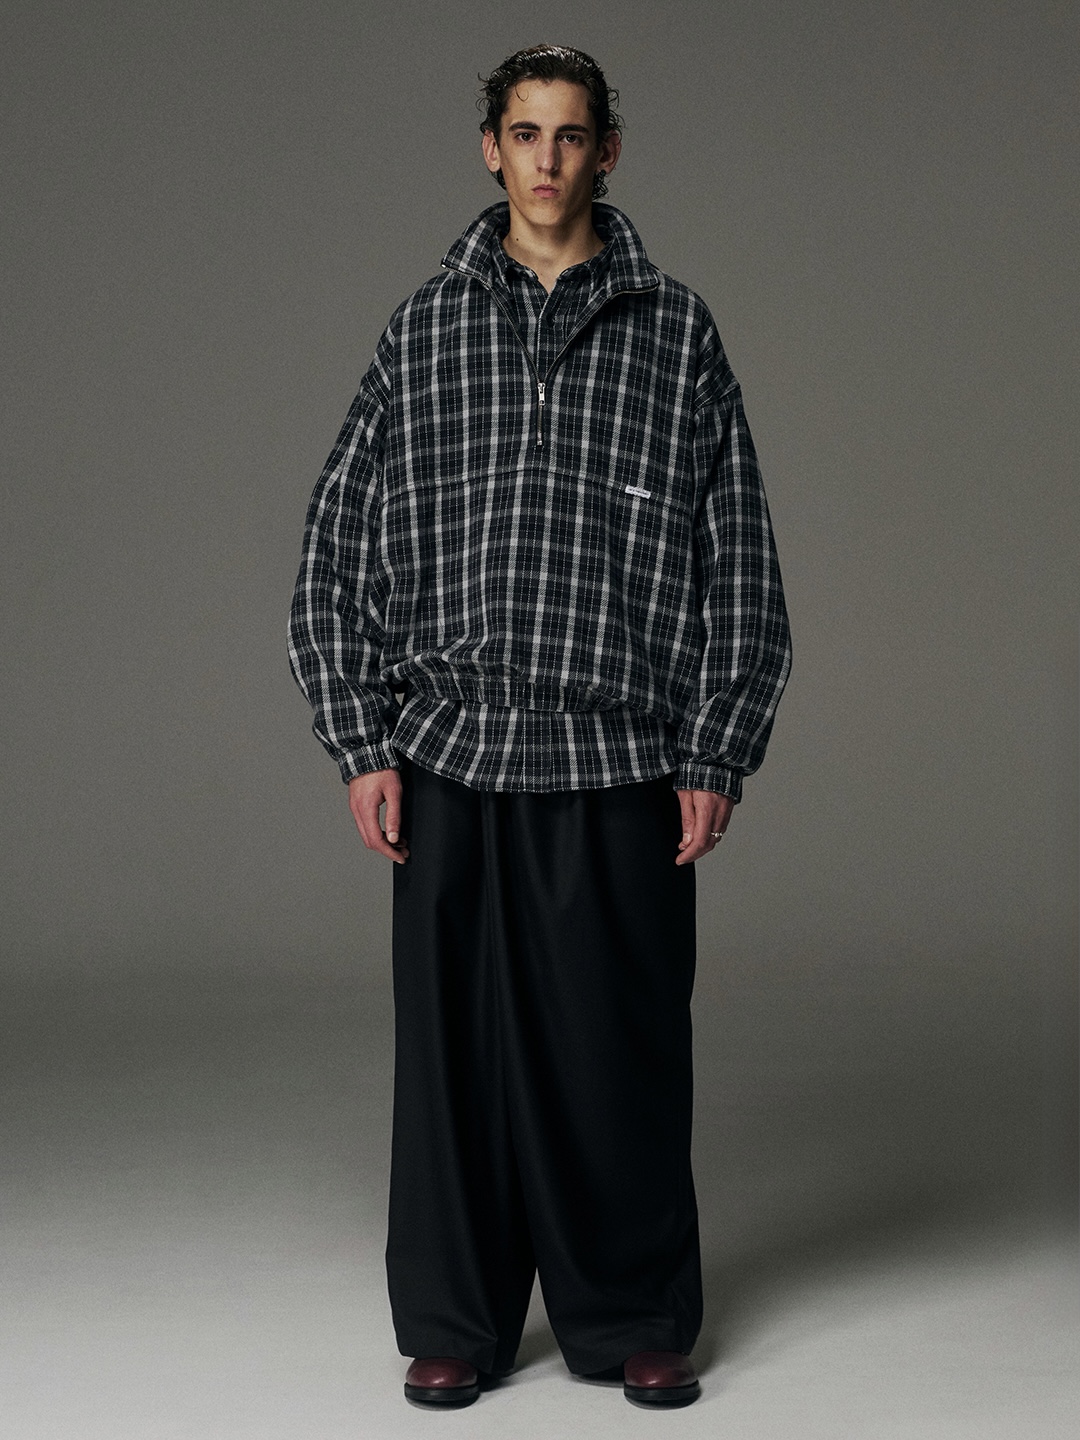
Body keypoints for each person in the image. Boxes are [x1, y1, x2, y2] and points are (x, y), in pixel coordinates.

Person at [288, 44, 791, 1410]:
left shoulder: (677, 333)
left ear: (607, 151)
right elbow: (335, 543)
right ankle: (454, 1316)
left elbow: (739, 554)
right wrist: (361, 737)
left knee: (619, 1050)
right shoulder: (424, 331)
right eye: (525, 134)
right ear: (491, 150)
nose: (549, 160)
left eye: (572, 135)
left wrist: (717, 747)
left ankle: (632, 1314)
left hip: (620, 755)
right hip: (451, 751)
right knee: (453, 1061)